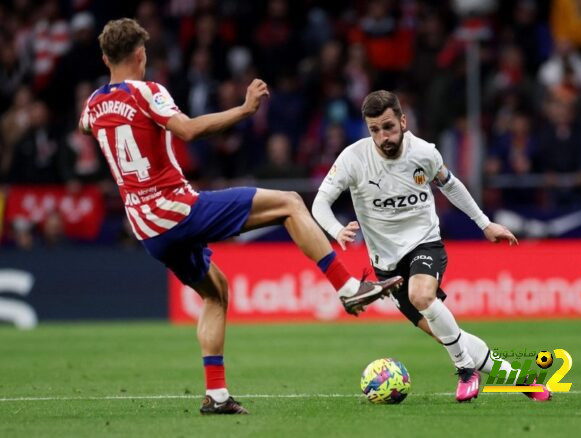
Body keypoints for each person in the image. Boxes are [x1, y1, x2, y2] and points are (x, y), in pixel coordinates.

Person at [79, 19, 403, 415]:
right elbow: (188, 130)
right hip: (177, 209)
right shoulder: (147, 92)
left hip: (147, 230)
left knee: (216, 292)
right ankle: (347, 286)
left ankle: (216, 396)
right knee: (288, 203)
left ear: (104, 58)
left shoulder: (94, 104)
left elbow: (86, 126)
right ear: (140, 55)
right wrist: (245, 109)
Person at [311, 90, 551, 403]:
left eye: (388, 127)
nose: (383, 136)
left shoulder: (423, 152)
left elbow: (450, 184)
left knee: (421, 295)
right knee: (449, 335)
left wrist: (485, 224)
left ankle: (465, 370)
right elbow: (319, 203)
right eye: (375, 130)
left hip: (425, 242)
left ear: (403, 121)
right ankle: (522, 381)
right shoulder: (353, 159)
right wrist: (336, 229)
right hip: (387, 266)